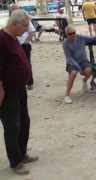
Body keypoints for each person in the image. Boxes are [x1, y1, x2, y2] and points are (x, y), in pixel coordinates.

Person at [0, 9, 39, 175]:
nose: (26, 29)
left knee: (24, 121)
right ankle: (15, 161)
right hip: (8, 90)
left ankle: (22, 153)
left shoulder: (13, 37)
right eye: (24, 26)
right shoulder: (1, 39)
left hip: (19, 88)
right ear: (14, 23)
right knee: (12, 126)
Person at [63, 26, 96, 104]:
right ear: (67, 35)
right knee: (73, 73)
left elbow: (92, 39)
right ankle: (67, 95)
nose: (72, 35)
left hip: (83, 61)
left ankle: (84, 81)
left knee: (89, 70)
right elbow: (69, 57)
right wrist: (78, 68)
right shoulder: (65, 43)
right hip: (72, 62)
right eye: (70, 34)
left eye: (74, 33)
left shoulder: (81, 37)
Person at [11, 4, 35, 90]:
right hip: (15, 45)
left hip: (24, 45)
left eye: (15, 9)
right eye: (13, 10)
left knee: (27, 63)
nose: (14, 11)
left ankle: (29, 82)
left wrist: (26, 41)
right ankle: (20, 81)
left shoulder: (24, 19)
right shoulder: (11, 20)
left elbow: (32, 31)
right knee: (16, 64)